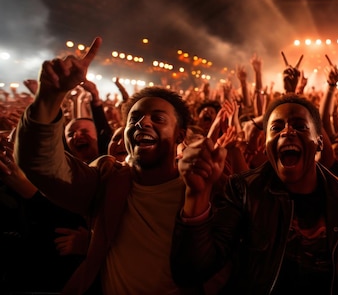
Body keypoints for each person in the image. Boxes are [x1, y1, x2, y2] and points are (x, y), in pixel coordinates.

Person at [14, 37, 203, 294]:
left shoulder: (203, 188)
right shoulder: (106, 179)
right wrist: (50, 96)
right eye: (134, 118)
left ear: (180, 136)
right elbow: (40, 163)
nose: (142, 123)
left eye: (157, 118)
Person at [170, 94, 338, 294]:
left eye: (300, 126)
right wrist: (196, 194)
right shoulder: (243, 191)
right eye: (276, 128)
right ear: (265, 144)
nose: (287, 132)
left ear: (319, 142)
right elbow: (191, 273)